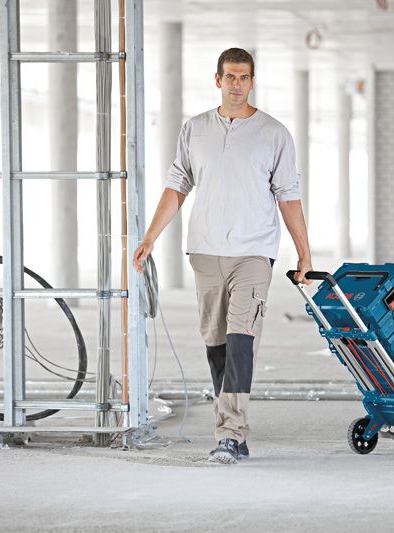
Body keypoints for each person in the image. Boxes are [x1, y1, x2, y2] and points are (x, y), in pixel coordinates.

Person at [133, 48, 313, 464]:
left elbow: (288, 197)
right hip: (206, 251)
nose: (237, 84)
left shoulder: (274, 133)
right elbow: (178, 185)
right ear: (218, 80)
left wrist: (305, 255)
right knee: (216, 344)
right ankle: (231, 426)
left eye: (244, 77)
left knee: (240, 341)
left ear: (252, 81)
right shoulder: (195, 129)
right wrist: (151, 237)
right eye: (229, 77)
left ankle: (230, 432)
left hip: (253, 252)